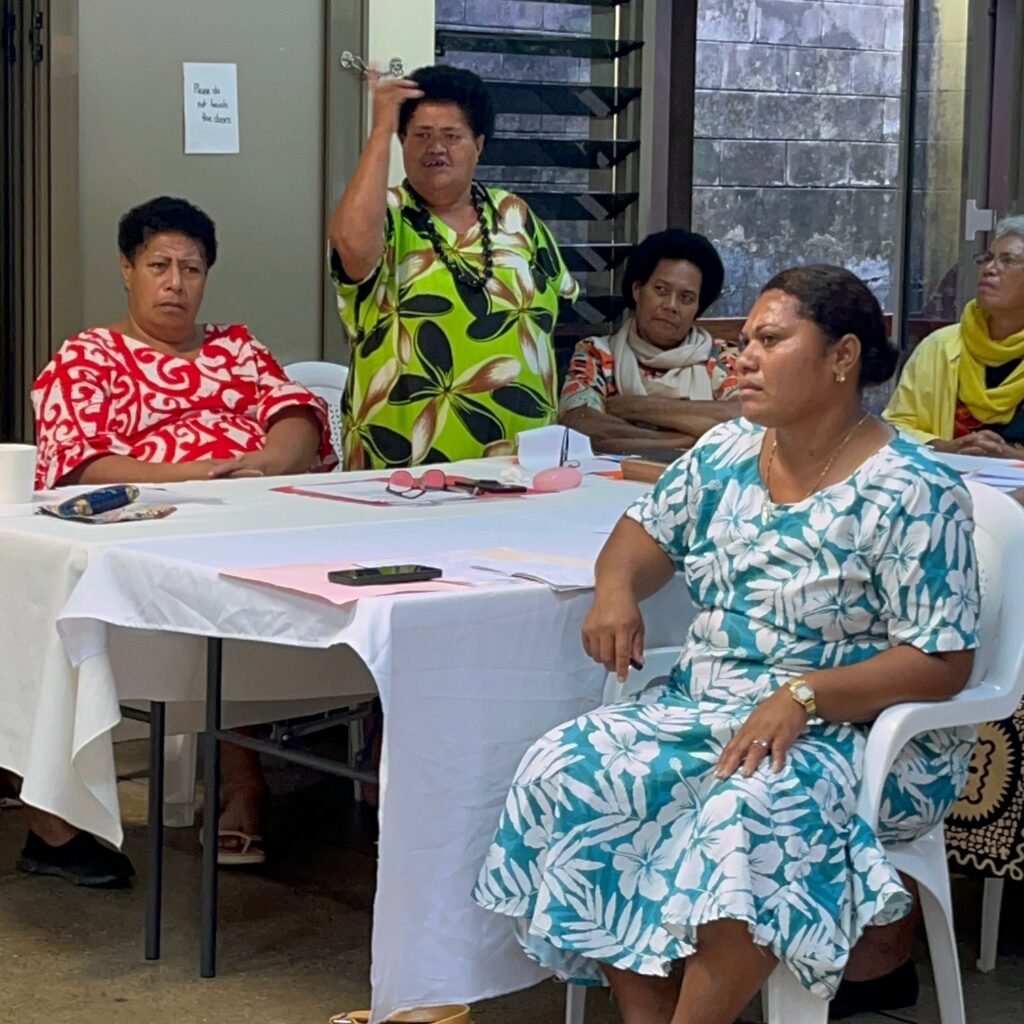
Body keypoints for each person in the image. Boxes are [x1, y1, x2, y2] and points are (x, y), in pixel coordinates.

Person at [474, 265, 979, 1024]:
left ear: (842, 357)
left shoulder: (913, 487)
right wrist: (616, 589)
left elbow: (944, 661)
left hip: (863, 733)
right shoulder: (730, 451)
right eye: (743, 340)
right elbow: (640, 537)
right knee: (573, 767)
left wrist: (805, 696)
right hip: (712, 705)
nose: (741, 357)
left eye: (769, 340)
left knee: (749, 809)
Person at [26, 195, 335, 882]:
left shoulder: (237, 348)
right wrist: (201, 474)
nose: (175, 282)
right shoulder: (90, 356)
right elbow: (78, 464)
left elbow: (299, 418)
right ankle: (236, 779)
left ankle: (253, 771)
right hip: (143, 535)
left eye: (191, 269)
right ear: (127, 270)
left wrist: (264, 466)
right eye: (159, 265)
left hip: (253, 518)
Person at [328, 64, 578, 469]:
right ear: (402, 142)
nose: (436, 148)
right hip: (403, 464)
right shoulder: (387, 215)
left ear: (478, 144)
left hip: (520, 463)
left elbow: (553, 314)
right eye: (421, 135)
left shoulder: (515, 214)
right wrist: (380, 130)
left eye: (452, 136)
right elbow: (352, 247)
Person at [559, 229, 739, 453]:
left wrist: (632, 407)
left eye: (686, 298)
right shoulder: (597, 353)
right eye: (661, 290)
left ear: (698, 307)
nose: (671, 305)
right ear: (637, 290)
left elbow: (744, 420)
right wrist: (687, 441)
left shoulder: (723, 357)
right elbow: (580, 425)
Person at [884, 214, 1024, 456]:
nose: (989, 269)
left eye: (1008, 260)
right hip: (950, 487)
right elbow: (894, 428)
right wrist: (946, 448)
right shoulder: (940, 346)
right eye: (988, 259)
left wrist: (1008, 455)